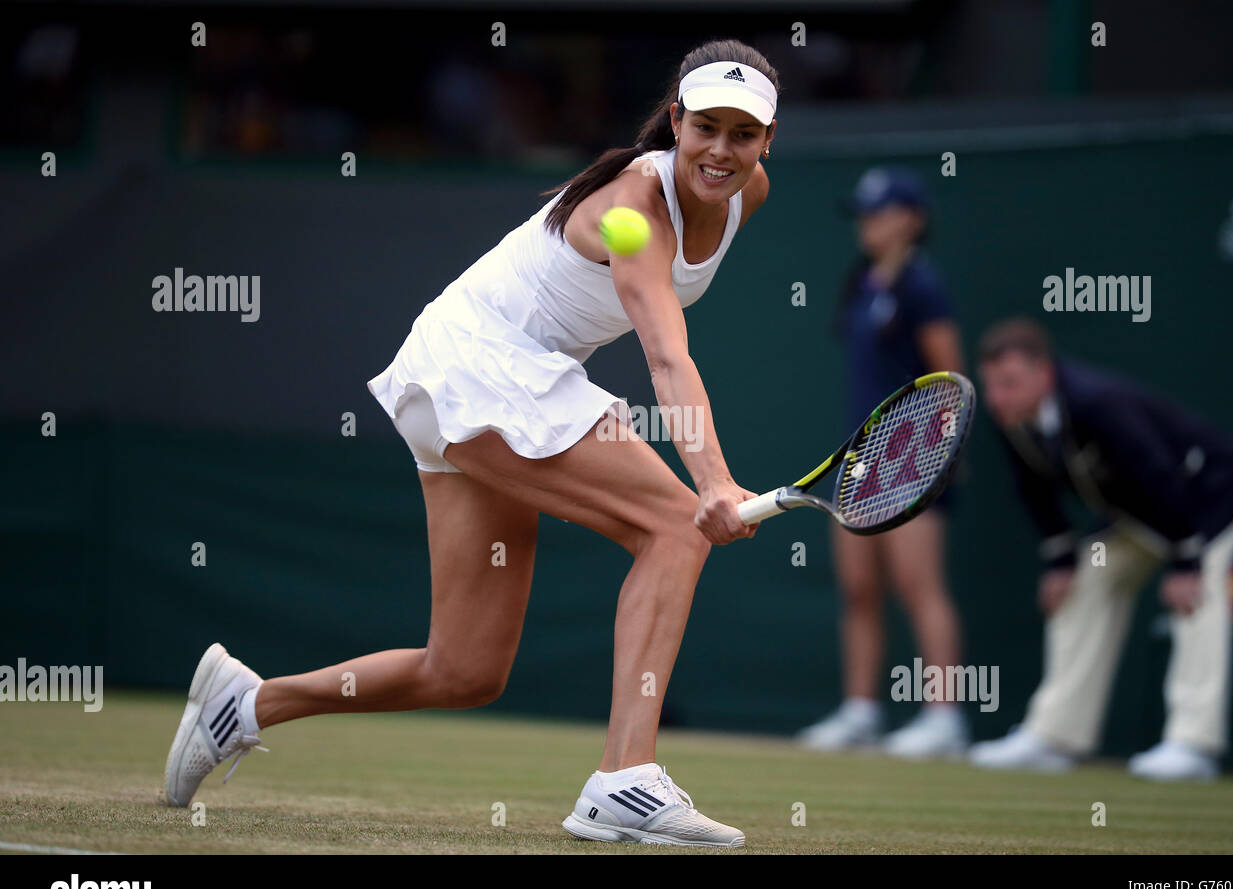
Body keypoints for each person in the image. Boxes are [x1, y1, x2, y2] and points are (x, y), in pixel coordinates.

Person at [161, 39, 780, 847]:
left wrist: (693, 474)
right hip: (482, 373)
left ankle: (243, 704)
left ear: (768, 141)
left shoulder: (747, 193)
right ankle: (624, 779)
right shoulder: (632, 206)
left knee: (464, 670)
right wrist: (714, 484)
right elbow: (666, 353)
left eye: (744, 133)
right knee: (674, 529)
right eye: (707, 127)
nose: (722, 150)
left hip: (479, 383)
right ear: (675, 122)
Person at [970, 317, 1233, 781]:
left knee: (1197, 597)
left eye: (1010, 383)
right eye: (992, 385)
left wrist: (1188, 559)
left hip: (1206, 495)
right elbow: (1034, 491)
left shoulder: (1097, 404)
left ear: (1043, 374)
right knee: (1083, 588)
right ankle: (1055, 737)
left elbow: (1159, 476)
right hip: (1135, 512)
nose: (998, 398)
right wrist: (1061, 560)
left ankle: (1194, 746)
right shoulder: (1009, 418)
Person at [798, 167, 969, 758]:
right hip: (860, 465)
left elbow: (949, 379)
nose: (868, 224)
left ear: (912, 220)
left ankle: (944, 720)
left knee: (918, 586)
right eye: (864, 214)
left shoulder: (923, 286)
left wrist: (939, 457)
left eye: (881, 212)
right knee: (858, 588)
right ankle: (862, 712)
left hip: (916, 463)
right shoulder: (865, 283)